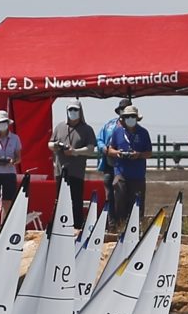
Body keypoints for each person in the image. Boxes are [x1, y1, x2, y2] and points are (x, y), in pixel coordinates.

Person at [48, 99, 97, 229]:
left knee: (76, 201)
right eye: (70, 109)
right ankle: (58, 226)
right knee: (59, 200)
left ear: (80, 111)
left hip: (76, 172)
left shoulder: (87, 129)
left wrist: (75, 152)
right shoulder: (59, 127)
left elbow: (91, 149)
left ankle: (77, 226)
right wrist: (57, 146)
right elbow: (50, 144)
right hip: (60, 171)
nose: (73, 112)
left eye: (75, 109)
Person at [107, 105, 152, 230]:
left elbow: (149, 153)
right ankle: (120, 227)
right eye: (127, 116)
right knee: (119, 201)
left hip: (137, 175)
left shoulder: (143, 133)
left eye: (132, 116)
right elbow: (110, 149)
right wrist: (118, 153)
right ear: (123, 118)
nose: (130, 118)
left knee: (137, 204)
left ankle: (136, 229)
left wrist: (139, 155)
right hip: (121, 173)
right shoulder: (117, 132)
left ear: (137, 118)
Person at [96, 99, 129, 223]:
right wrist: (104, 148)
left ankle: (122, 222)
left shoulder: (133, 128)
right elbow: (99, 139)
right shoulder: (109, 125)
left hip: (125, 168)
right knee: (109, 195)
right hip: (109, 166)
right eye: (122, 110)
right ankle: (111, 222)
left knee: (122, 196)